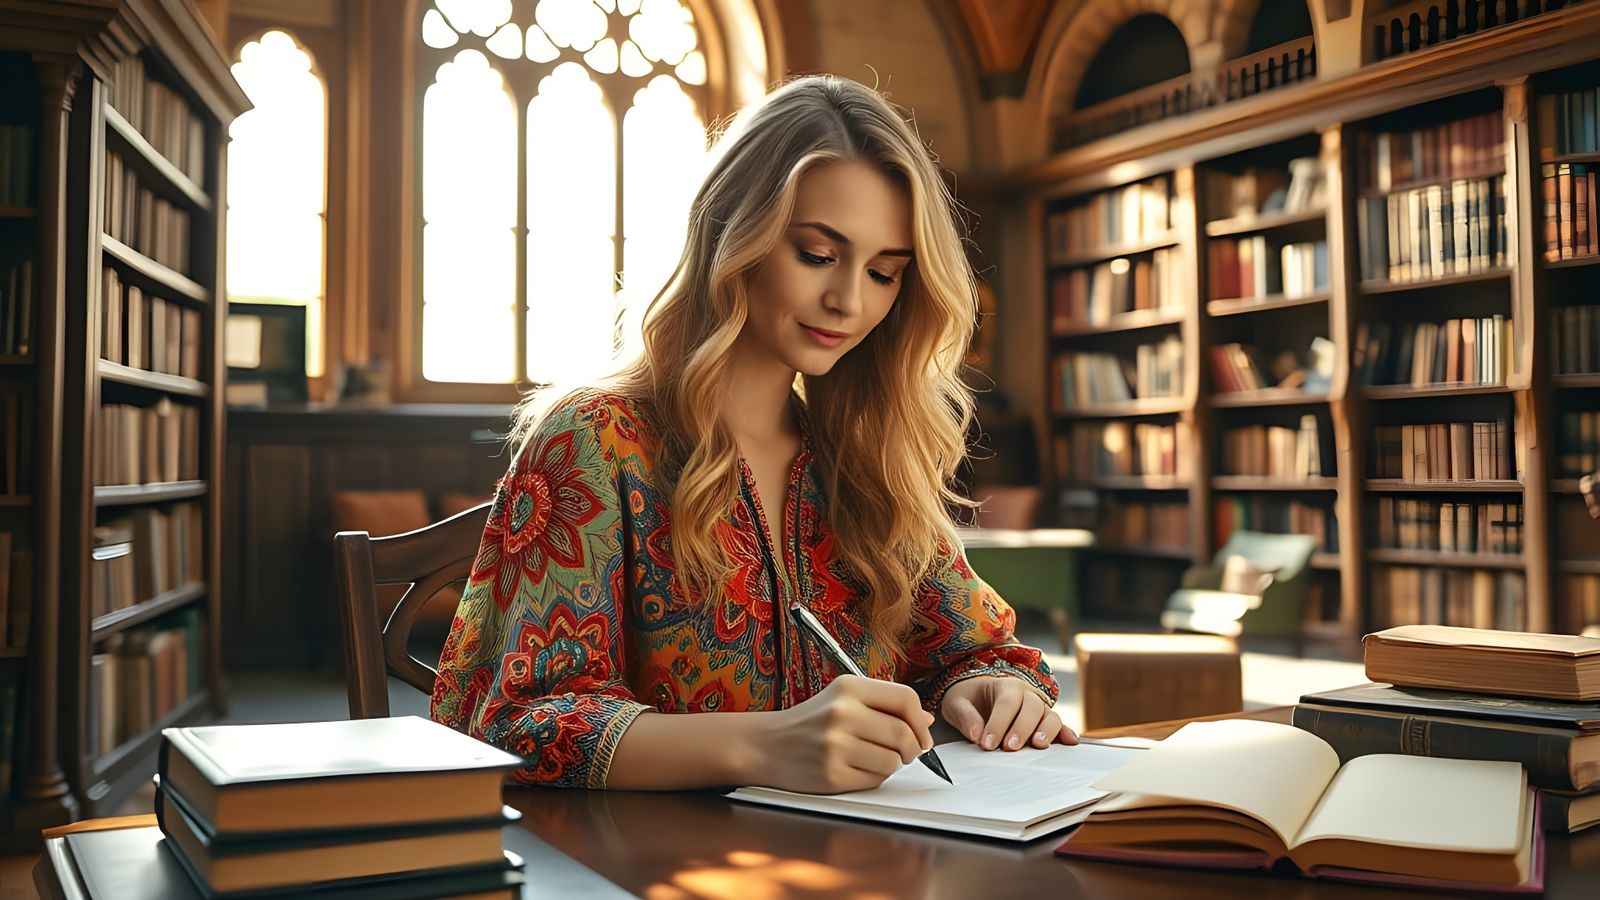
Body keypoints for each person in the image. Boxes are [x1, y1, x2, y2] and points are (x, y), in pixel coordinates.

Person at [431, 75, 1074, 794]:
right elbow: (517, 724)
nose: (850, 301)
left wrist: (990, 688)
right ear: (732, 234)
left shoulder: (864, 457)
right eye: (817, 255)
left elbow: (981, 648)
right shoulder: (594, 439)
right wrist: (763, 745)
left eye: (886, 272)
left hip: (871, 861)